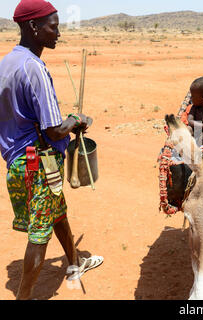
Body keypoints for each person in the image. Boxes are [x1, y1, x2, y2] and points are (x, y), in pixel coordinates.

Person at [0, 0, 103, 300]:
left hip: (19, 162)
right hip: (38, 163)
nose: (57, 33)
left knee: (57, 213)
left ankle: (74, 262)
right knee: (39, 234)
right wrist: (76, 120)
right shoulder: (34, 68)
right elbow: (54, 130)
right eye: (53, 27)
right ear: (33, 27)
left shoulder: (7, 63)